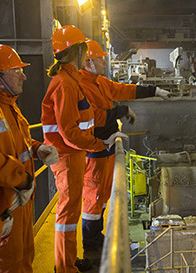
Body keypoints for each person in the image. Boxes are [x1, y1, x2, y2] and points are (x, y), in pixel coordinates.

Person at [41, 26, 127, 273]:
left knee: (70, 215)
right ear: (76, 51)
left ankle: (67, 260)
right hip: (68, 157)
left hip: (74, 156)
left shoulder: (71, 81)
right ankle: (64, 266)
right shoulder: (65, 84)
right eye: (84, 50)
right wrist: (100, 144)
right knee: (67, 216)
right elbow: (69, 132)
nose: (88, 55)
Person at [79, 39, 170, 265]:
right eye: (100, 58)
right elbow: (97, 118)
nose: (103, 61)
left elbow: (123, 89)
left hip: (106, 148)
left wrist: (154, 90)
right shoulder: (83, 86)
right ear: (89, 62)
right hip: (95, 150)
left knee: (100, 198)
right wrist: (123, 110)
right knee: (93, 199)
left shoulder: (98, 82)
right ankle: (90, 244)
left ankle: (95, 237)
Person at [0, 45, 58, 272]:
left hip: (20, 202)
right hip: (7, 204)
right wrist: (21, 179)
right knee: (11, 264)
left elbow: (17, 146)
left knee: (25, 258)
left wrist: (38, 149)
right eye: (16, 70)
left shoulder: (10, 108)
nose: (23, 76)